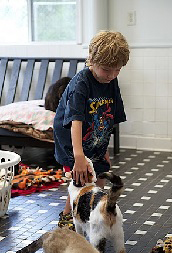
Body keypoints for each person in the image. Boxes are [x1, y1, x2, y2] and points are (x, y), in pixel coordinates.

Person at [53, 30, 130, 228]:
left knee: (99, 175)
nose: (112, 75)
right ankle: (67, 218)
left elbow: (111, 117)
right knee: (80, 180)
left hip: (94, 136)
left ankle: (93, 214)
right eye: (106, 69)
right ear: (92, 61)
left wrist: (103, 149)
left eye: (117, 70)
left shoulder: (111, 82)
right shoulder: (81, 83)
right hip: (72, 138)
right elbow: (75, 121)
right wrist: (79, 155)